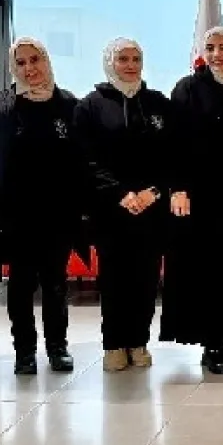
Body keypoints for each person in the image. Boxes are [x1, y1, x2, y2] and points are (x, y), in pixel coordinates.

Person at [0, 36, 83, 376]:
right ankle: (24, 352)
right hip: (14, 217)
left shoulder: (69, 106)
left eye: (36, 59)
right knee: (20, 286)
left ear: (47, 61)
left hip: (57, 216)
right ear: (12, 68)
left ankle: (58, 347)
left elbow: (81, 163)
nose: (30, 68)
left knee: (56, 284)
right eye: (21, 62)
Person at [75, 38, 173, 373]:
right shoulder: (90, 106)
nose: (130, 65)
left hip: (151, 209)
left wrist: (154, 191)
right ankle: (114, 344)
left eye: (136, 58)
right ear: (110, 62)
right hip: (111, 211)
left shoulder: (158, 104)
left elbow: (172, 155)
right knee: (115, 279)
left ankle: (139, 341)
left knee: (146, 278)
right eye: (122, 58)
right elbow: (86, 159)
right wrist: (119, 193)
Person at [161, 27, 223, 375]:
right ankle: (210, 341)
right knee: (201, 268)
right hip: (196, 195)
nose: (217, 54)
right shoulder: (186, 89)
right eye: (210, 47)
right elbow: (173, 143)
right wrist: (177, 188)